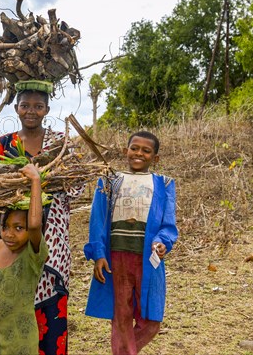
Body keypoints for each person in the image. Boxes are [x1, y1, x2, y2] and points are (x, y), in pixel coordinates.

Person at [0, 81, 81, 354]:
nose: (31, 111)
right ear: (16, 108)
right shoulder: (4, 144)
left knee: (52, 308)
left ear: (47, 110)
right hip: (15, 235)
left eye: (38, 106)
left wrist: (42, 181)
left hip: (52, 237)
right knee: (16, 300)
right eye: (25, 105)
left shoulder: (60, 143)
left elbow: (76, 186)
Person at [84, 131, 178, 355]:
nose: (139, 153)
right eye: (134, 148)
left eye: (146, 150)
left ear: (155, 158)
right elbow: (97, 220)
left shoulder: (164, 184)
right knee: (121, 316)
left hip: (148, 259)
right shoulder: (109, 181)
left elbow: (168, 223)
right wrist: (98, 254)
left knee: (151, 320)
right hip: (116, 259)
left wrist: (163, 242)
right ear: (126, 151)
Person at [0, 163, 49, 355]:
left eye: (19, 228)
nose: (9, 234)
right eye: (6, 226)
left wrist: (35, 180)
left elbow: (34, 225)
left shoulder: (32, 254)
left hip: (22, 340)